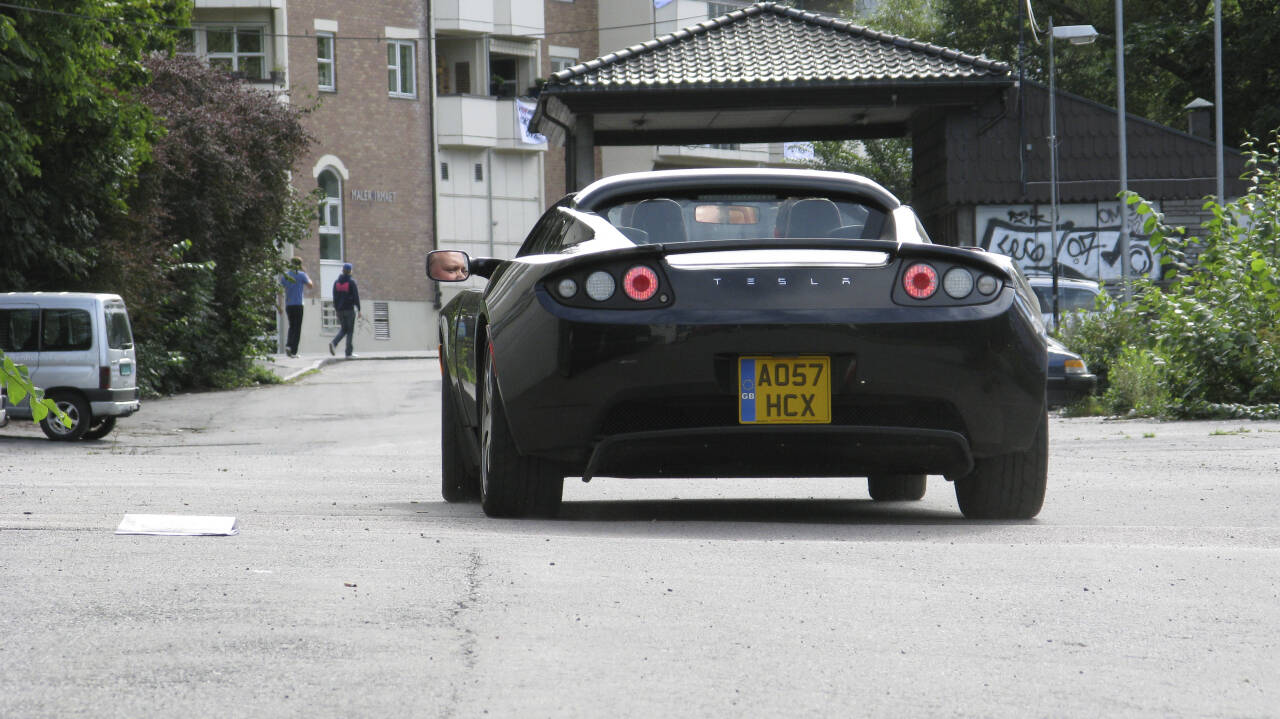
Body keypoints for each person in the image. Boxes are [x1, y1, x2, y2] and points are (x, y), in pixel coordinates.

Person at [278, 257, 313, 357]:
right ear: (300, 264)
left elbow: (279, 291)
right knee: (297, 328)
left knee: (292, 326)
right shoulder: (301, 275)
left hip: (288, 305)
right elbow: (310, 285)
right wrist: (306, 274)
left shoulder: (286, 275)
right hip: (298, 304)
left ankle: (289, 345)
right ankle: (293, 351)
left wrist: (279, 306)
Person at [329, 262, 361, 357]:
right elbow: (356, 296)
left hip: (340, 310)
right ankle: (348, 353)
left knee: (344, 329)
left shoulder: (336, 282)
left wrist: (336, 309)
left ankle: (334, 343)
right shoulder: (351, 282)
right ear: (350, 271)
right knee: (350, 331)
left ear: (343, 271)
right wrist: (359, 309)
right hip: (349, 310)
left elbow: (334, 297)